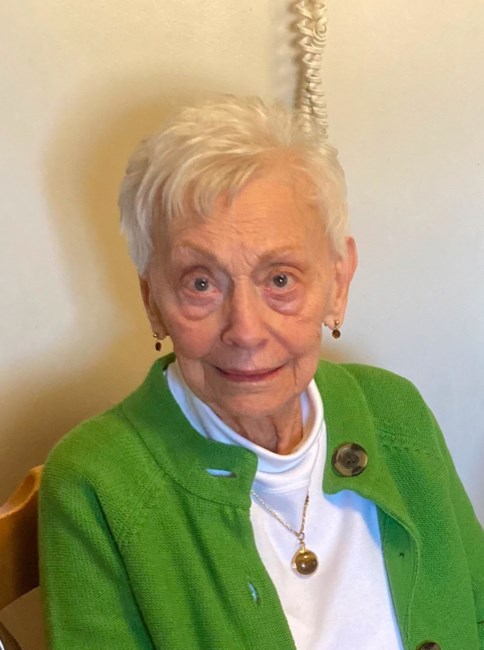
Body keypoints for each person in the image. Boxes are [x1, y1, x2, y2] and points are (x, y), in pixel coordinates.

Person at [39, 96, 484, 650]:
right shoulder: (97, 483)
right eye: (201, 283)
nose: (245, 331)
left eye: (280, 279)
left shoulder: (394, 411)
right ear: (153, 300)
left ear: (338, 282)